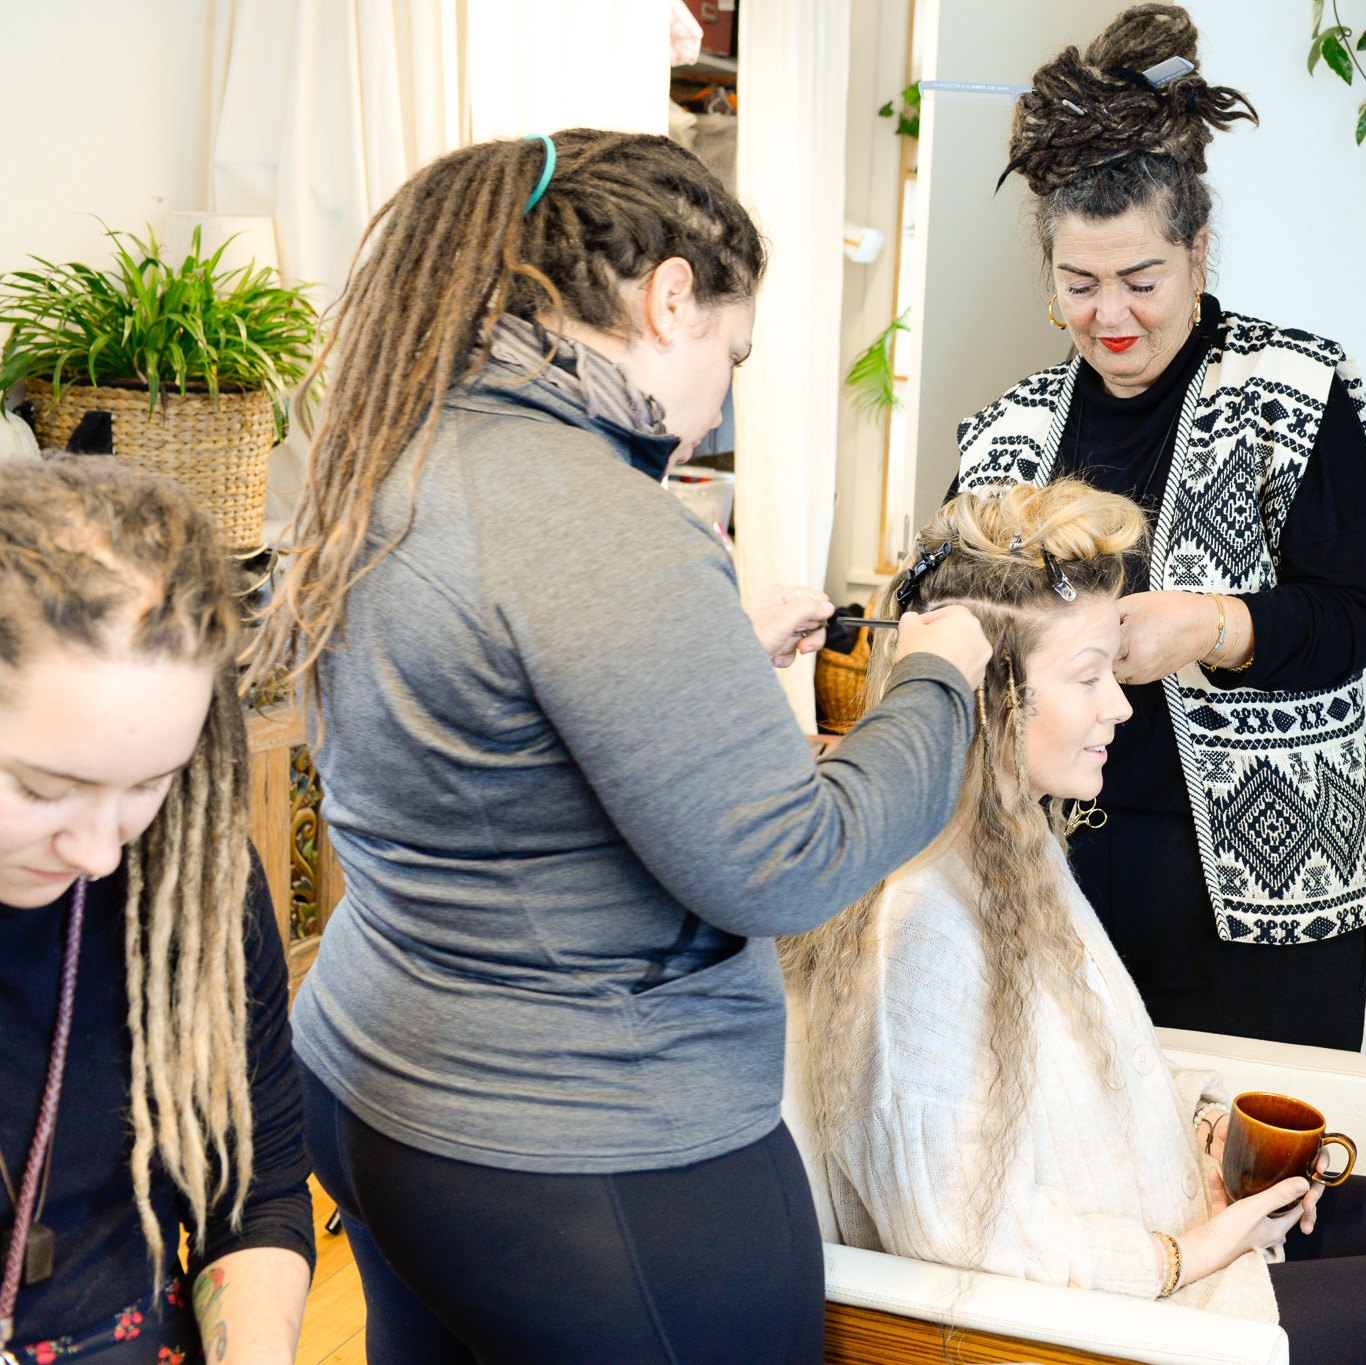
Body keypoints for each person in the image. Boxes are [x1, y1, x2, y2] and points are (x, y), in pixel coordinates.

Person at [244, 129, 991, 1364]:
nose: (719, 406)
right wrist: (936, 682)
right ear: (669, 299)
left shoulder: (392, 459)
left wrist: (707, 654)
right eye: (731, 357)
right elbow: (787, 865)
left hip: (370, 1086)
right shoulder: (606, 521)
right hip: (576, 1157)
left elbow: (482, 724)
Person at [784, 480, 1366, 1365]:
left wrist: (1204, 1130)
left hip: (1177, 1216)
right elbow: (958, 1237)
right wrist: (1191, 1251)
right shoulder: (920, 926)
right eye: (1088, 676)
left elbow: (1095, 1072)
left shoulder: (1016, 840)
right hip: (1123, 1311)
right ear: (992, 697)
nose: (1120, 704)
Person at [951, 4, 1366, 1052]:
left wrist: (1206, 625)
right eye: (1079, 284)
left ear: (1198, 254)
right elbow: (962, 633)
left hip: (1261, 903)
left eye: (1140, 281)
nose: (1110, 316)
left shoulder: (1292, 391)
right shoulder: (1004, 433)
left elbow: (1352, 616)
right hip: (1051, 883)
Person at [0, 459, 313, 1364]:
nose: (100, 853)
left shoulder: (193, 878)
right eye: (45, 788)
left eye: (149, 784)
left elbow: (254, 1191)